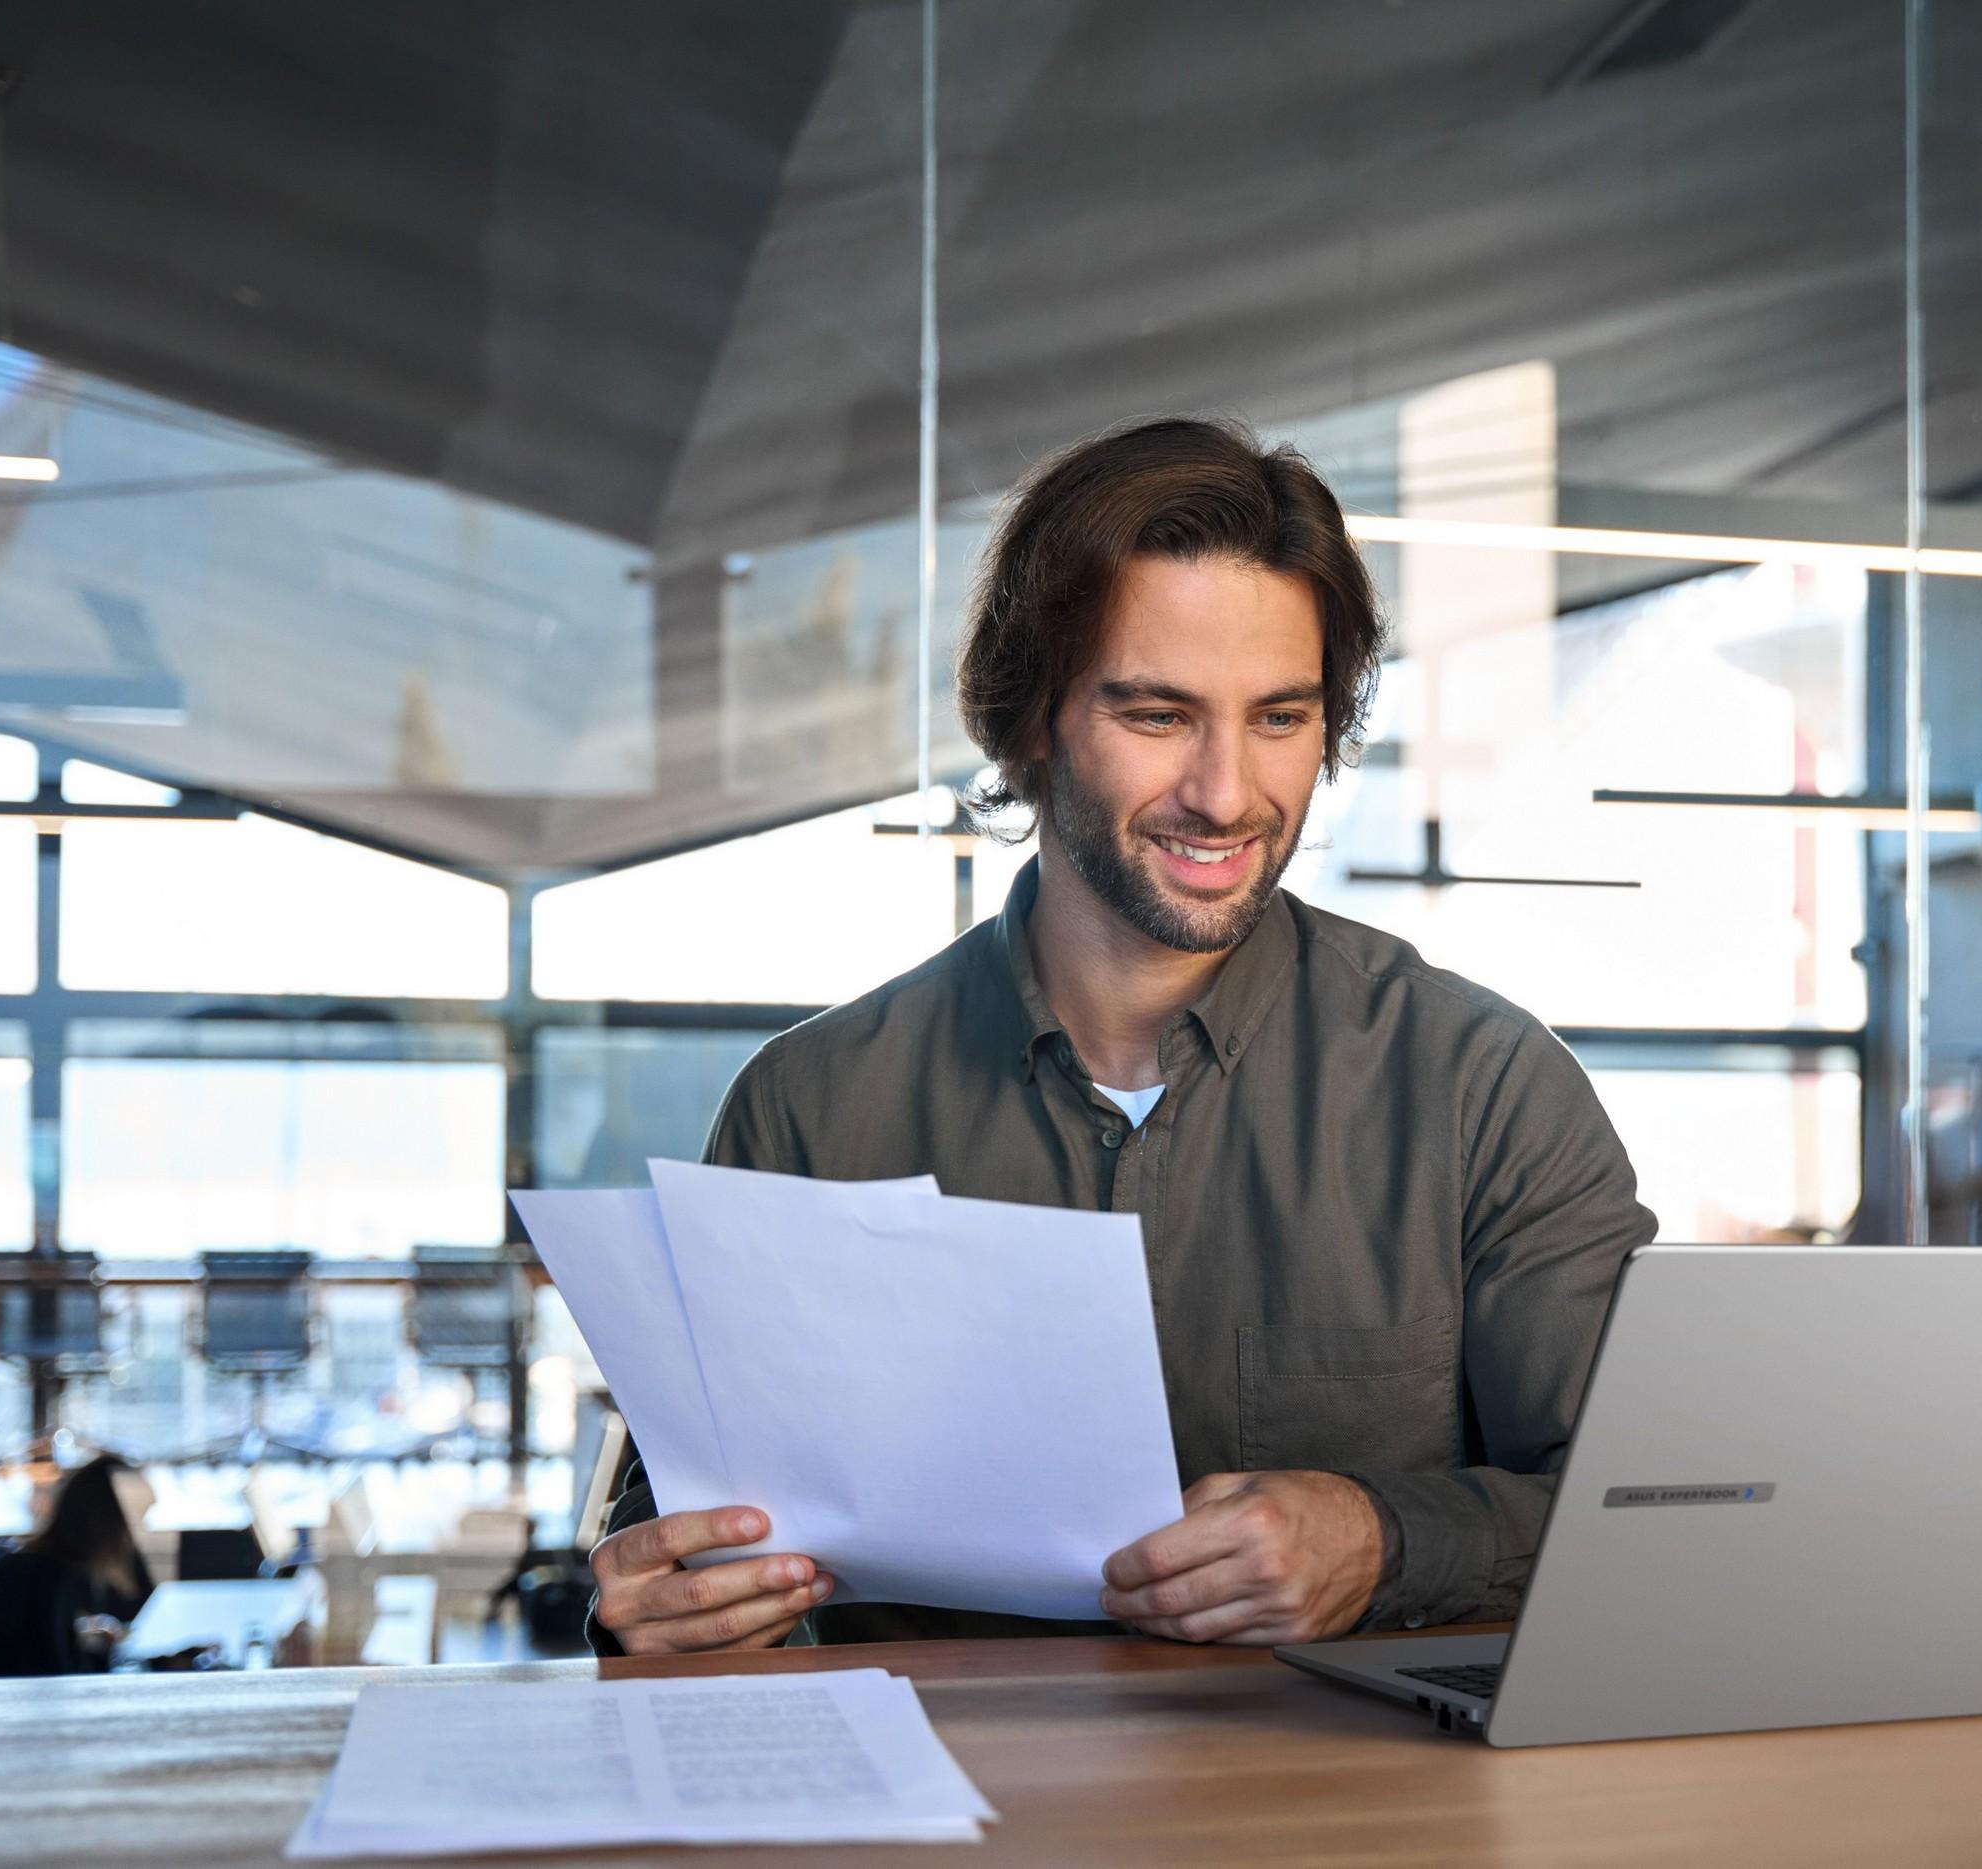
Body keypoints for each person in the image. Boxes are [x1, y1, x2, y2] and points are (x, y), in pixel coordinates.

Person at [588, 417, 1655, 1657]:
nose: (1225, 792)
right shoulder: (810, 1109)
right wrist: (665, 1606)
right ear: (1030, 718)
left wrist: (1383, 1538)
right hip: (951, 1827)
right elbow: (667, 1554)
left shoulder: (1484, 1090)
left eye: (1279, 718)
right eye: (1158, 715)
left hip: (1354, 1832)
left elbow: (1652, 1509)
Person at [0, 1455, 153, 1676]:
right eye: (137, 1517)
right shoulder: (48, 1578)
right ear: (108, 1520)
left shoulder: (61, 1572)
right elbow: (53, 1674)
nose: (138, 1532)